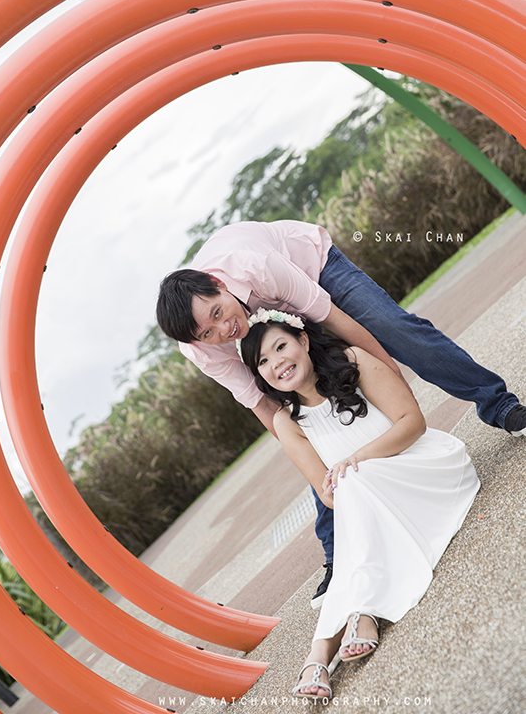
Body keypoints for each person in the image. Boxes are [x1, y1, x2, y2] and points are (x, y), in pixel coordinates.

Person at [156, 220, 525, 603]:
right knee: (302, 423)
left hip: (312, 266)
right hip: (270, 328)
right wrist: (309, 457)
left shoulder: (256, 263)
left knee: (392, 325)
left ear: (216, 284)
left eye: (217, 313)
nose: (223, 330)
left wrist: (391, 384)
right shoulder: (201, 349)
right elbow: (264, 405)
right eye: (206, 333)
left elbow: (336, 320)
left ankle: (499, 405)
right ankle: (337, 552)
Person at [238, 309, 480, 701]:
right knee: (348, 484)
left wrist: (357, 460)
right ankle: (346, 626)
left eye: (280, 346)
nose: (275, 363)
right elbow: (326, 493)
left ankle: (341, 632)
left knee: (352, 478)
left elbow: (411, 421)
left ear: (302, 340)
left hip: (427, 469)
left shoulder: (353, 362)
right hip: (368, 496)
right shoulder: (286, 422)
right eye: (262, 362)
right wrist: (346, 475)